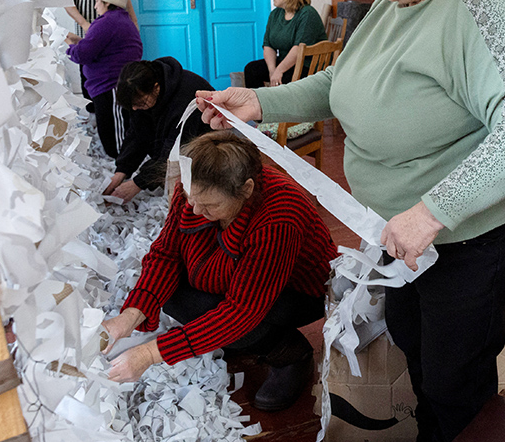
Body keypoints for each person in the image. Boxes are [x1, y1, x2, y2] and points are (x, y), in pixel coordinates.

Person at [196, 0, 505, 442]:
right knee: (414, 336)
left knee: (454, 373)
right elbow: (344, 79)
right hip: (403, 225)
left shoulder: (482, 9)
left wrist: (434, 210)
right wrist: (261, 102)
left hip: (469, 231)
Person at [101, 131, 338, 411]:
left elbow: (242, 311)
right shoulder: (195, 190)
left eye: (211, 205)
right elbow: (166, 253)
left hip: (296, 291)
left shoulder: (279, 217)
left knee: (233, 321)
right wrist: (131, 314)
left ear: (246, 189)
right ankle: (235, 338)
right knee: (172, 295)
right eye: (191, 198)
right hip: (239, 268)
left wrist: (150, 354)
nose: (196, 210)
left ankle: (289, 353)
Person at [104, 57, 213, 203]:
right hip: (173, 143)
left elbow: (175, 149)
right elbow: (137, 135)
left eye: (140, 103)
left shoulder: (186, 96)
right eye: (132, 106)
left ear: (156, 87)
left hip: (205, 148)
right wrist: (121, 171)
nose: (136, 109)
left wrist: (138, 183)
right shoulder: (141, 93)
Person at [65, 0, 142, 158]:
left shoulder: (107, 22)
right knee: (113, 131)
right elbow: (98, 46)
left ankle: (122, 169)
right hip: (112, 86)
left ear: (108, 2)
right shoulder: (119, 20)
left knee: (115, 138)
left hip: (112, 87)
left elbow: (84, 54)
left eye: (98, 1)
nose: (95, 6)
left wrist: (69, 46)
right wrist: (79, 42)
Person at [244, 0, 326, 88]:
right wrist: (272, 71)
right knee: (251, 69)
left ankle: (272, 104)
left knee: (283, 80)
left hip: (306, 66)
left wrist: (279, 71)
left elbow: (299, 49)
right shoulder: (275, 14)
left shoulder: (307, 14)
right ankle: (257, 103)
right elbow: (268, 45)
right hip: (286, 63)